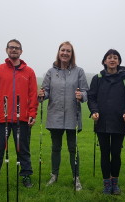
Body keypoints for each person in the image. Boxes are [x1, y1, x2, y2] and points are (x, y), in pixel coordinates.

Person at [0, 39, 38, 191]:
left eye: (17, 48)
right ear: (6, 50)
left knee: (23, 150)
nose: (14, 50)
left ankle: (26, 176)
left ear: (21, 51)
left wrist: (32, 113)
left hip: (22, 119)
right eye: (11, 47)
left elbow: (33, 94)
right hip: (2, 118)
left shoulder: (29, 72)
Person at [38, 41, 89, 191]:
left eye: (68, 51)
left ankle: (76, 178)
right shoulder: (51, 72)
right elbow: (45, 91)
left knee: (73, 148)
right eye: (63, 50)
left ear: (72, 54)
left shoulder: (79, 71)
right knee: (56, 147)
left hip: (73, 115)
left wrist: (81, 95)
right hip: (55, 116)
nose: (65, 53)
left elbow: (86, 91)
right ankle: (54, 175)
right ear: (58, 52)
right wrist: (42, 95)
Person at [87, 49, 125, 195]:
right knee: (104, 153)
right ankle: (106, 184)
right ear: (104, 61)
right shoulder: (98, 78)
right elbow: (92, 97)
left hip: (119, 122)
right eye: (109, 57)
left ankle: (115, 183)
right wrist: (94, 111)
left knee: (115, 154)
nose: (112, 60)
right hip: (101, 122)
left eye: (115, 57)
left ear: (119, 61)